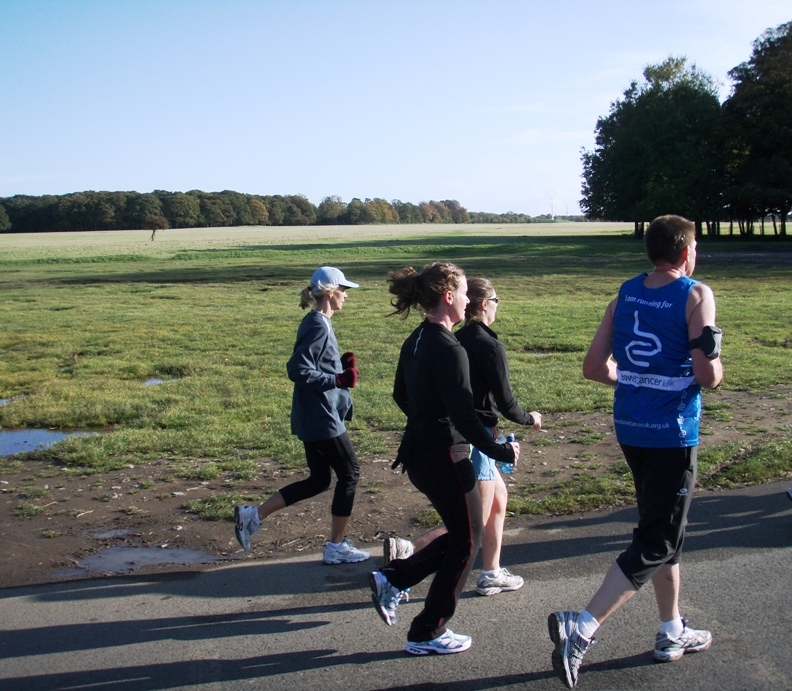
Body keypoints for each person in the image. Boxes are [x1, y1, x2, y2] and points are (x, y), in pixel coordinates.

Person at [548, 215, 723, 688]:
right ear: (686, 251)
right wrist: (714, 363)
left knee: (665, 531)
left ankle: (671, 630)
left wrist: (635, 380)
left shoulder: (622, 294)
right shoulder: (695, 294)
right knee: (658, 540)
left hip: (631, 427)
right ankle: (580, 628)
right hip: (672, 433)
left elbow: (592, 368)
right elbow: (707, 376)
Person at [369, 262, 520, 656]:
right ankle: (426, 631)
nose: (470, 300)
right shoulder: (450, 349)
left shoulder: (417, 339)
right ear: (449, 296)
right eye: (465, 292)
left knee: (463, 534)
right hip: (444, 456)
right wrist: (502, 450)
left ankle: (396, 579)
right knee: (467, 542)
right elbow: (467, 419)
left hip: (420, 452)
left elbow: (401, 396)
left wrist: (426, 421)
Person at [382, 277, 542, 597]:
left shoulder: (452, 339)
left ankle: (492, 571)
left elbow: (404, 394)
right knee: (471, 524)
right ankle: (408, 553)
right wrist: (528, 420)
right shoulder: (483, 345)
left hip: (465, 434)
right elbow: (504, 401)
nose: (494, 306)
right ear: (484, 304)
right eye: (495, 300)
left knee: (497, 502)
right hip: (474, 436)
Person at [234, 266, 370, 565]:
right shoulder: (318, 324)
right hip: (320, 417)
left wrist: (337, 366)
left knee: (320, 480)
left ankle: (253, 515)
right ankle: (336, 546)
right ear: (330, 293)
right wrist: (336, 380)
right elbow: (297, 369)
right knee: (350, 473)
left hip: (313, 415)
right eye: (343, 291)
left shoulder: (316, 321)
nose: (346, 296)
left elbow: (313, 363)